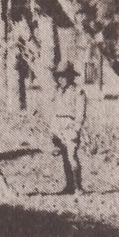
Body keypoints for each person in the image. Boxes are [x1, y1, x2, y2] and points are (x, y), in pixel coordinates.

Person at [50, 63, 87, 194]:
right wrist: (53, 130)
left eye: (64, 76)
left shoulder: (78, 92)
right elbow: (54, 110)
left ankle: (78, 187)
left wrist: (76, 129)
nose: (61, 79)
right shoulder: (58, 91)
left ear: (70, 77)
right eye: (59, 76)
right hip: (58, 126)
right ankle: (69, 185)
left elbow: (80, 113)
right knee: (64, 157)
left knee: (72, 157)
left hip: (70, 127)